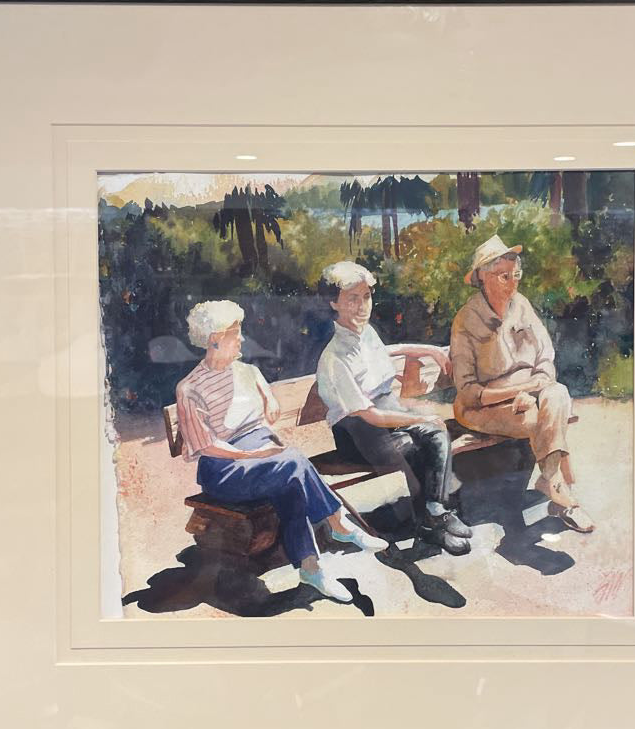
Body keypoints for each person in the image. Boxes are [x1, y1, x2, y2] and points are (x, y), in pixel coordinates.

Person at [175, 300, 387, 604]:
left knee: (292, 482)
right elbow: (205, 445)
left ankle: (312, 570)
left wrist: (267, 401)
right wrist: (252, 456)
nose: (242, 339)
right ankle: (338, 523)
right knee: (292, 462)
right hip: (225, 470)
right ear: (214, 340)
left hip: (265, 458)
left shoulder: (247, 371)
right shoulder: (190, 388)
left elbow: (269, 414)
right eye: (236, 333)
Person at [316, 261, 474, 555]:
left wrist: (425, 349)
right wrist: (419, 418)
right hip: (358, 433)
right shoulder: (334, 357)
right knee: (415, 443)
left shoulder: (366, 334)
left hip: (384, 418)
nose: (363, 305)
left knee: (436, 433)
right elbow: (368, 415)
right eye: (353, 298)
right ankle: (431, 524)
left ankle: (434, 512)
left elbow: (385, 352)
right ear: (334, 303)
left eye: (366, 296)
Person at [450, 235, 595, 533]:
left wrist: (535, 390)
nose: (512, 283)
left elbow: (545, 357)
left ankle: (551, 482)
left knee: (558, 393)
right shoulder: (466, 319)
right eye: (504, 276)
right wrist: (521, 391)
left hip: (530, 396)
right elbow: (468, 393)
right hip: (482, 407)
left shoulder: (522, 305)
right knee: (542, 417)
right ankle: (561, 493)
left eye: (516, 274)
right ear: (482, 276)